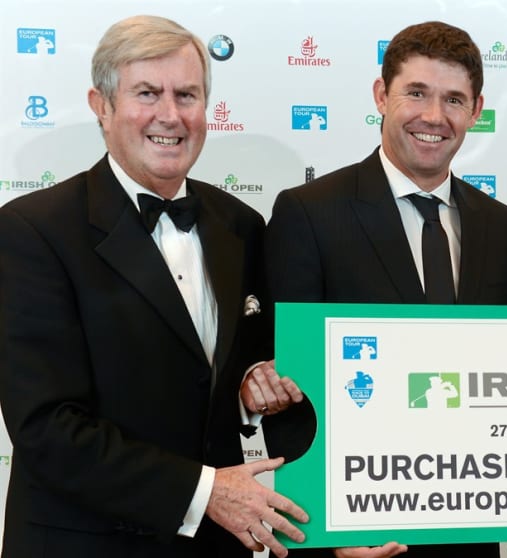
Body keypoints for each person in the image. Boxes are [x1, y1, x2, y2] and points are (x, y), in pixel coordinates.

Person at [0, 15, 308, 558]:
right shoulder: (32, 231)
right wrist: (206, 491)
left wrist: (251, 388)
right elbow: (47, 428)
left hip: (218, 544)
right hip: (86, 545)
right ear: (102, 105)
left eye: (187, 94)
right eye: (148, 93)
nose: (171, 115)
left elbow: (237, 371)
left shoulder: (241, 224)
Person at [265, 20, 507, 558]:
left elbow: (506, 370)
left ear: (476, 111)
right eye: (416, 93)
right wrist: (329, 526)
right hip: (354, 531)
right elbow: (292, 384)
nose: (434, 117)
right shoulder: (308, 213)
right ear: (382, 95)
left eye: (454, 99)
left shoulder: (501, 224)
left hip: (467, 524)